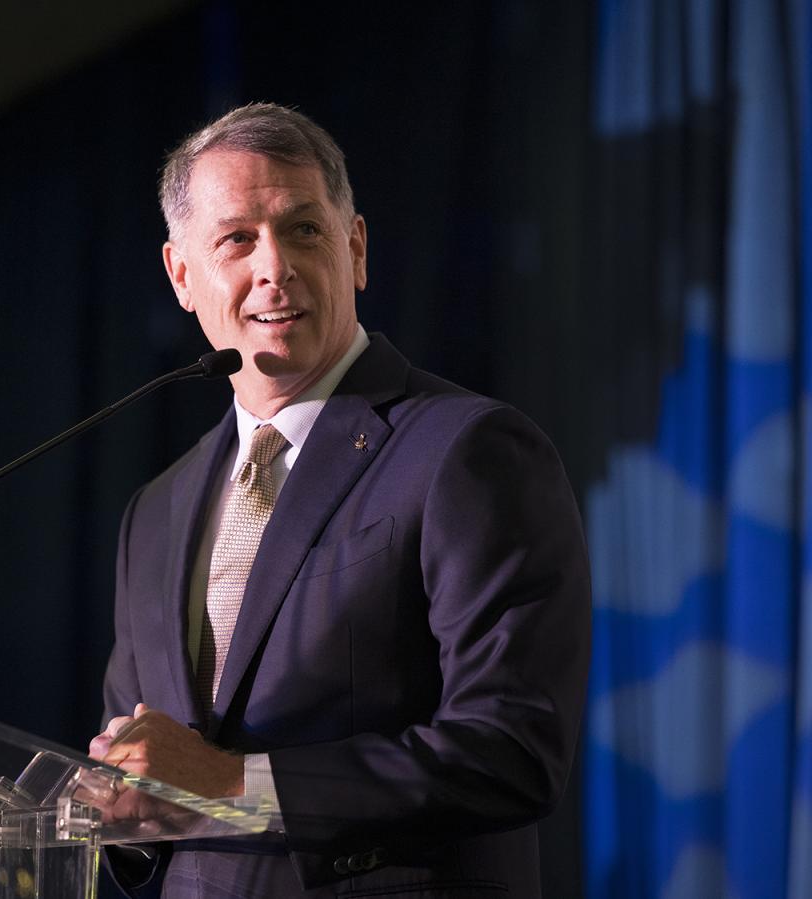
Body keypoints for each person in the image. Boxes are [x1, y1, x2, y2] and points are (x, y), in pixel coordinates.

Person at [88, 103, 590, 898]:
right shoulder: (155, 510)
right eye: (236, 239)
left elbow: (513, 750)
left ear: (355, 249)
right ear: (182, 275)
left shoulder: (467, 450)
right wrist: (118, 799)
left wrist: (228, 782)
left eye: (304, 230)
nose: (274, 267)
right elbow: (157, 773)